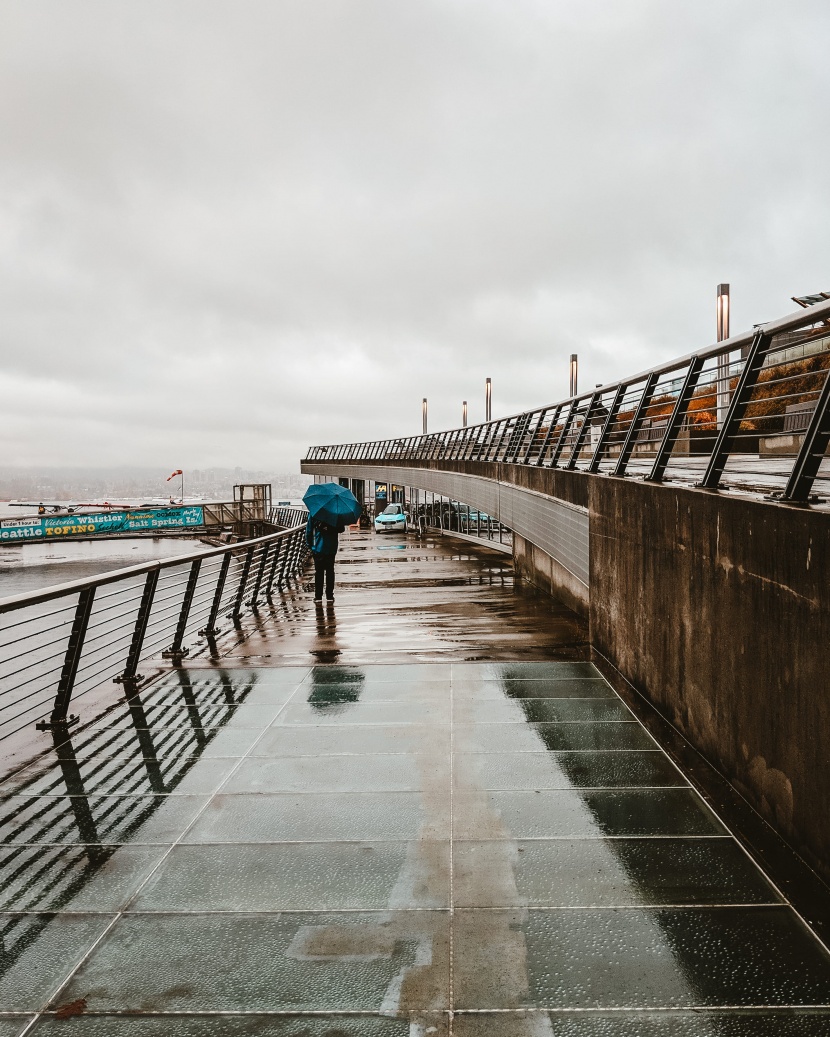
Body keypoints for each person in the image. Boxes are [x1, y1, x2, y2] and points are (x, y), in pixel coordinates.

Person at [305, 513, 340, 603]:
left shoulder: (314, 513)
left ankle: (318, 596)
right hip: (331, 547)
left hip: (318, 547)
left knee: (319, 572)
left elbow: (309, 530)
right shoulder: (335, 513)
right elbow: (341, 529)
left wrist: (310, 545)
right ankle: (329, 595)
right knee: (330, 571)